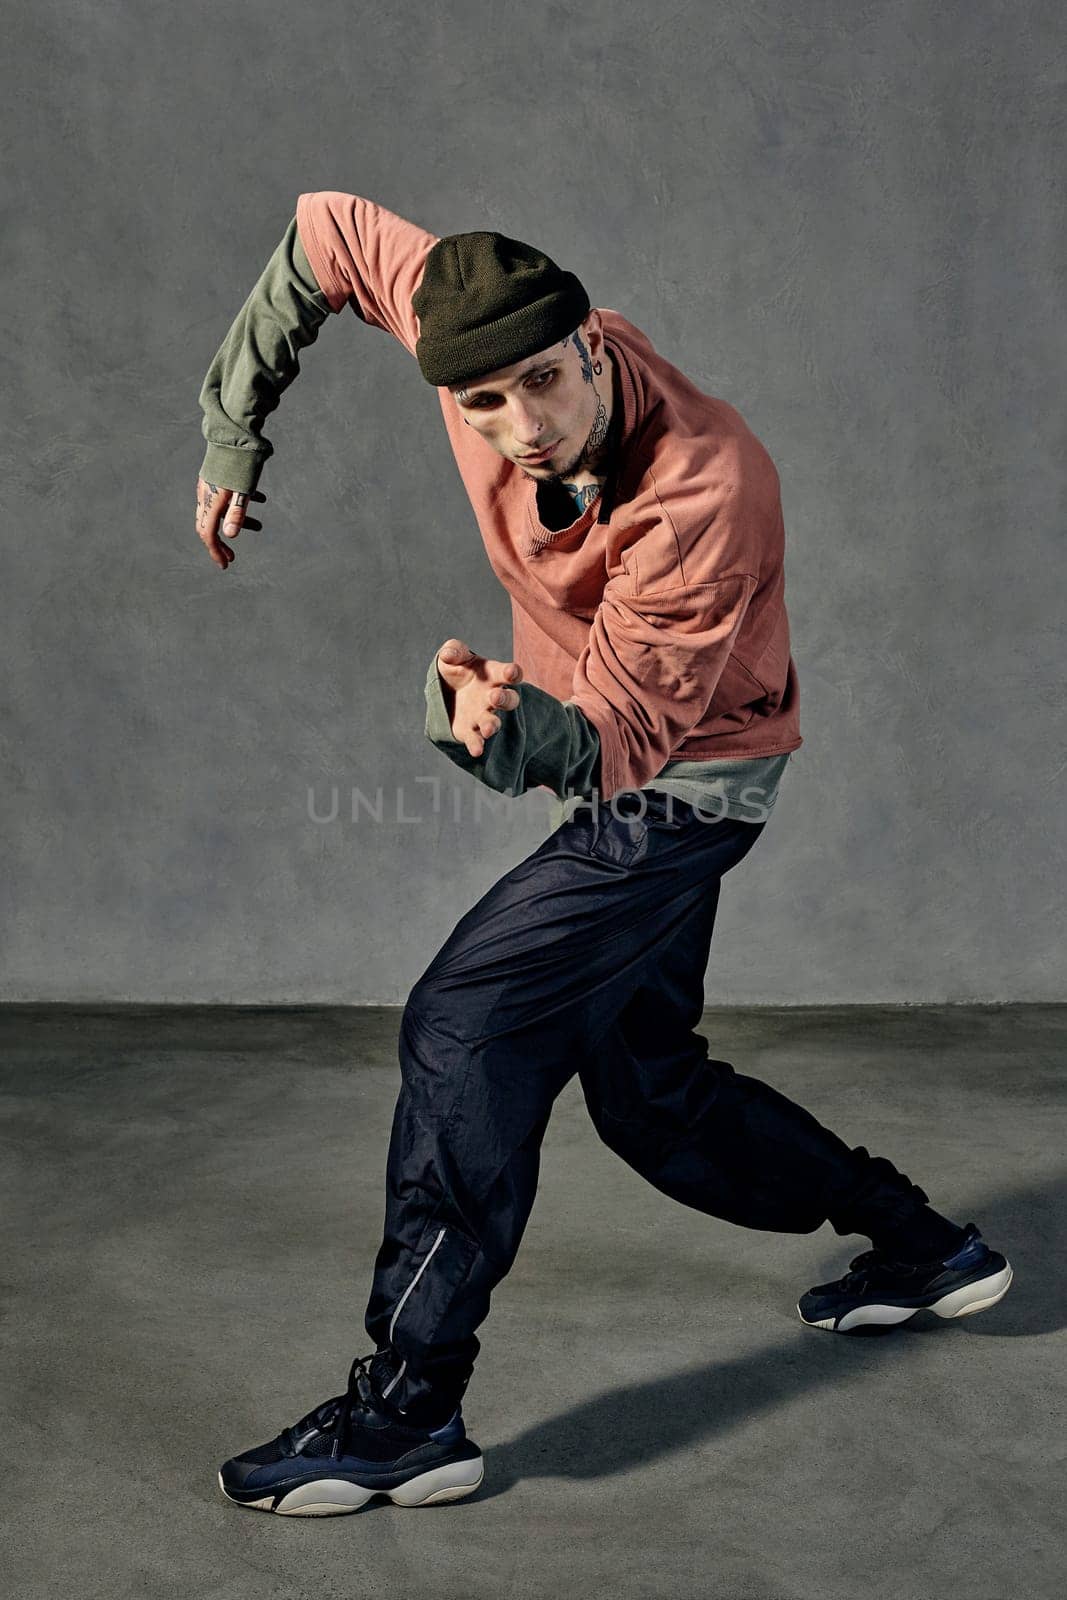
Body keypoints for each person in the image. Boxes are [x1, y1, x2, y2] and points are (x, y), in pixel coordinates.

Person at [196, 190, 1013, 1517]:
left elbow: (623, 747)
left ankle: (408, 1413)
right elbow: (327, 232)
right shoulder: (459, 322)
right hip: (631, 747)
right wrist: (234, 425)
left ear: (591, 345)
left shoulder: (706, 484)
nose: (523, 431)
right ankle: (922, 1246)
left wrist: (482, 728)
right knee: (647, 1092)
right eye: (482, 407)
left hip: (694, 780)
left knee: (466, 1023)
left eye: (541, 386)